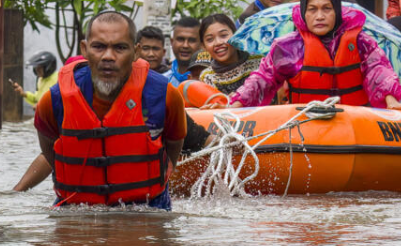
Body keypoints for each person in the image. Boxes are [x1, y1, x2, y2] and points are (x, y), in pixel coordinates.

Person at [31, 11, 209, 209]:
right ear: (85, 49)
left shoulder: (164, 95)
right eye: (98, 47)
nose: (108, 56)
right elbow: (48, 146)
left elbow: (174, 143)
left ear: (135, 52)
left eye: (120, 48)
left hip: (147, 209)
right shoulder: (55, 99)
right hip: (77, 210)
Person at [230, 0, 401, 108]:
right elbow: (263, 79)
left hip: (355, 122)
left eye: (326, 8)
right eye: (312, 9)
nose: (319, 16)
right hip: (306, 123)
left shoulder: (361, 41)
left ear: (337, 11)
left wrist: (391, 100)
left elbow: (378, 70)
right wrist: (237, 103)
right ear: (304, 13)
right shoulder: (288, 46)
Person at [197, 14, 262, 96]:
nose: (218, 42)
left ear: (235, 35)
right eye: (210, 39)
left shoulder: (259, 61)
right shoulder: (207, 77)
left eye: (224, 35)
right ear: (204, 46)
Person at [169, 17, 202, 84]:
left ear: (202, 44)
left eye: (192, 40)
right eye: (180, 39)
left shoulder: (211, 81)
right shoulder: (162, 81)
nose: (185, 45)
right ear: (172, 42)